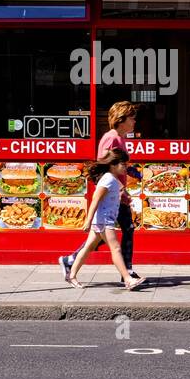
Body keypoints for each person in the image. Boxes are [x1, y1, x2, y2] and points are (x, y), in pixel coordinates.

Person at [57, 101, 140, 284]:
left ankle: (70, 261)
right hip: (111, 195)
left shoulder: (119, 138)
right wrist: (119, 191)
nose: (134, 122)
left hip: (116, 194)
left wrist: (128, 179)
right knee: (125, 229)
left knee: (101, 234)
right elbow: (104, 168)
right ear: (121, 119)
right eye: (132, 119)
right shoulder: (112, 138)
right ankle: (127, 272)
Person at [62, 149, 145, 291]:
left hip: (103, 220)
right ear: (113, 165)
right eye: (123, 164)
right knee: (116, 248)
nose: (126, 167)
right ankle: (128, 279)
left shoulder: (112, 178)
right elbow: (95, 200)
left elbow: (116, 194)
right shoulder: (107, 179)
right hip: (104, 221)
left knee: (88, 248)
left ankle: (71, 275)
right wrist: (88, 221)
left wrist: (123, 195)